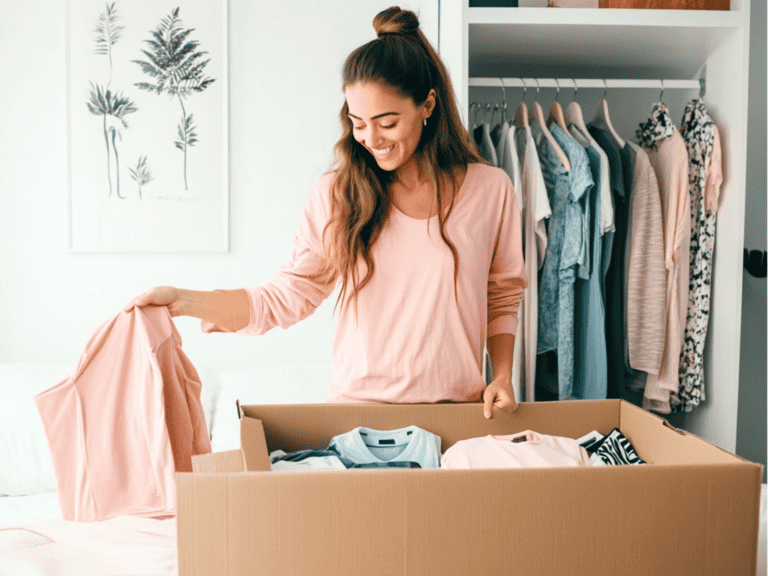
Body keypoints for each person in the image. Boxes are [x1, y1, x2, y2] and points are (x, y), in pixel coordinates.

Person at [124, 6, 527, 418]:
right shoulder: (338, 195)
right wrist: (185, 301)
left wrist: (502, 375)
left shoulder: (490, 190)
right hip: (358, 420)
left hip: (458, 414)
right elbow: (285, 297)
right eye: (359, 123)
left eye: (387, 122)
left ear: (428, 105)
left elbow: (502, 295)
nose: (372, 138)